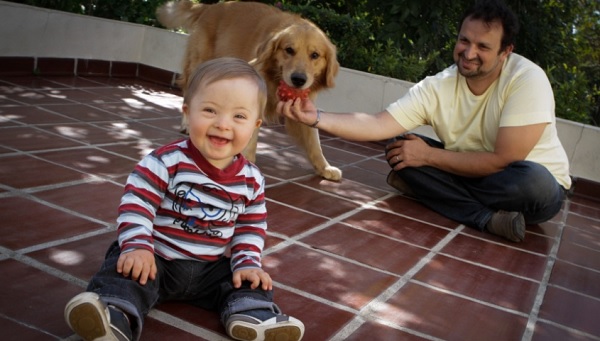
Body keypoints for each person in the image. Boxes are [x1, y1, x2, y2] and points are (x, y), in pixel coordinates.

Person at [278, 0, 570, 243]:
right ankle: (484, 216)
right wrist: (315, 117)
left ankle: (444, 197)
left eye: (483, 46)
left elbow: (502, 160)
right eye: (464, 40)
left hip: (526, 185)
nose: (469, 53)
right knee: (399, 148)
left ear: (506, 52)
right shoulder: (439, 85)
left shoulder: (526, 78)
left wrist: (429, 156)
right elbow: (378, 124)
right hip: (469, 170)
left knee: (534, 182)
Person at [64, 57, 305, 341]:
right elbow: (136, 204)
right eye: (210, 110)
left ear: (255, 125)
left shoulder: (252, 180)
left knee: (250, 279)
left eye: (239, 116)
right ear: (187, 113)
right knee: (123, 269)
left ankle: (254, 315)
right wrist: (138, 245)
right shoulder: (166, 162)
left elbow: (251, 228)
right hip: (157, 259)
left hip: (210, 269)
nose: (223, 124)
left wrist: (248, 262)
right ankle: (113, 314)